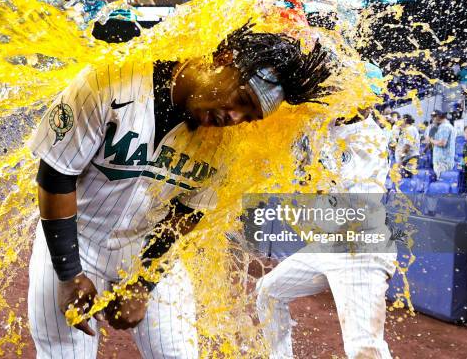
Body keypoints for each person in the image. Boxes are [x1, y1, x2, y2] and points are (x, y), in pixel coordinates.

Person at [28, 24, 335, 359]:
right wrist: (70, 274)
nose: (234, 118)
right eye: (242, 100)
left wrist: (144, 283)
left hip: (146, 246)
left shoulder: (226, 142)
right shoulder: (110, 79)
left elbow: (187, 213)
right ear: (224, 58)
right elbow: (56, 175)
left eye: (248, 118)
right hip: (75, 239)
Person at [256, 67, 396, 359]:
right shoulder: (328, 123)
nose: (355, 100)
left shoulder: (370, 140)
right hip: (330, 245)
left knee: (363, 350)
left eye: (363, 96)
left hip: (360, 249)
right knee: (269, 292)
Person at [425, 111, 456, 179]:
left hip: (443, 160)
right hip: (443, 159)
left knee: (441, 179)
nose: (432, 119)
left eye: (434, 117)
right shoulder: (442, 126)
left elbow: (442, 143)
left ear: (438, 117)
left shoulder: (444, 127)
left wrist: (430, 140)